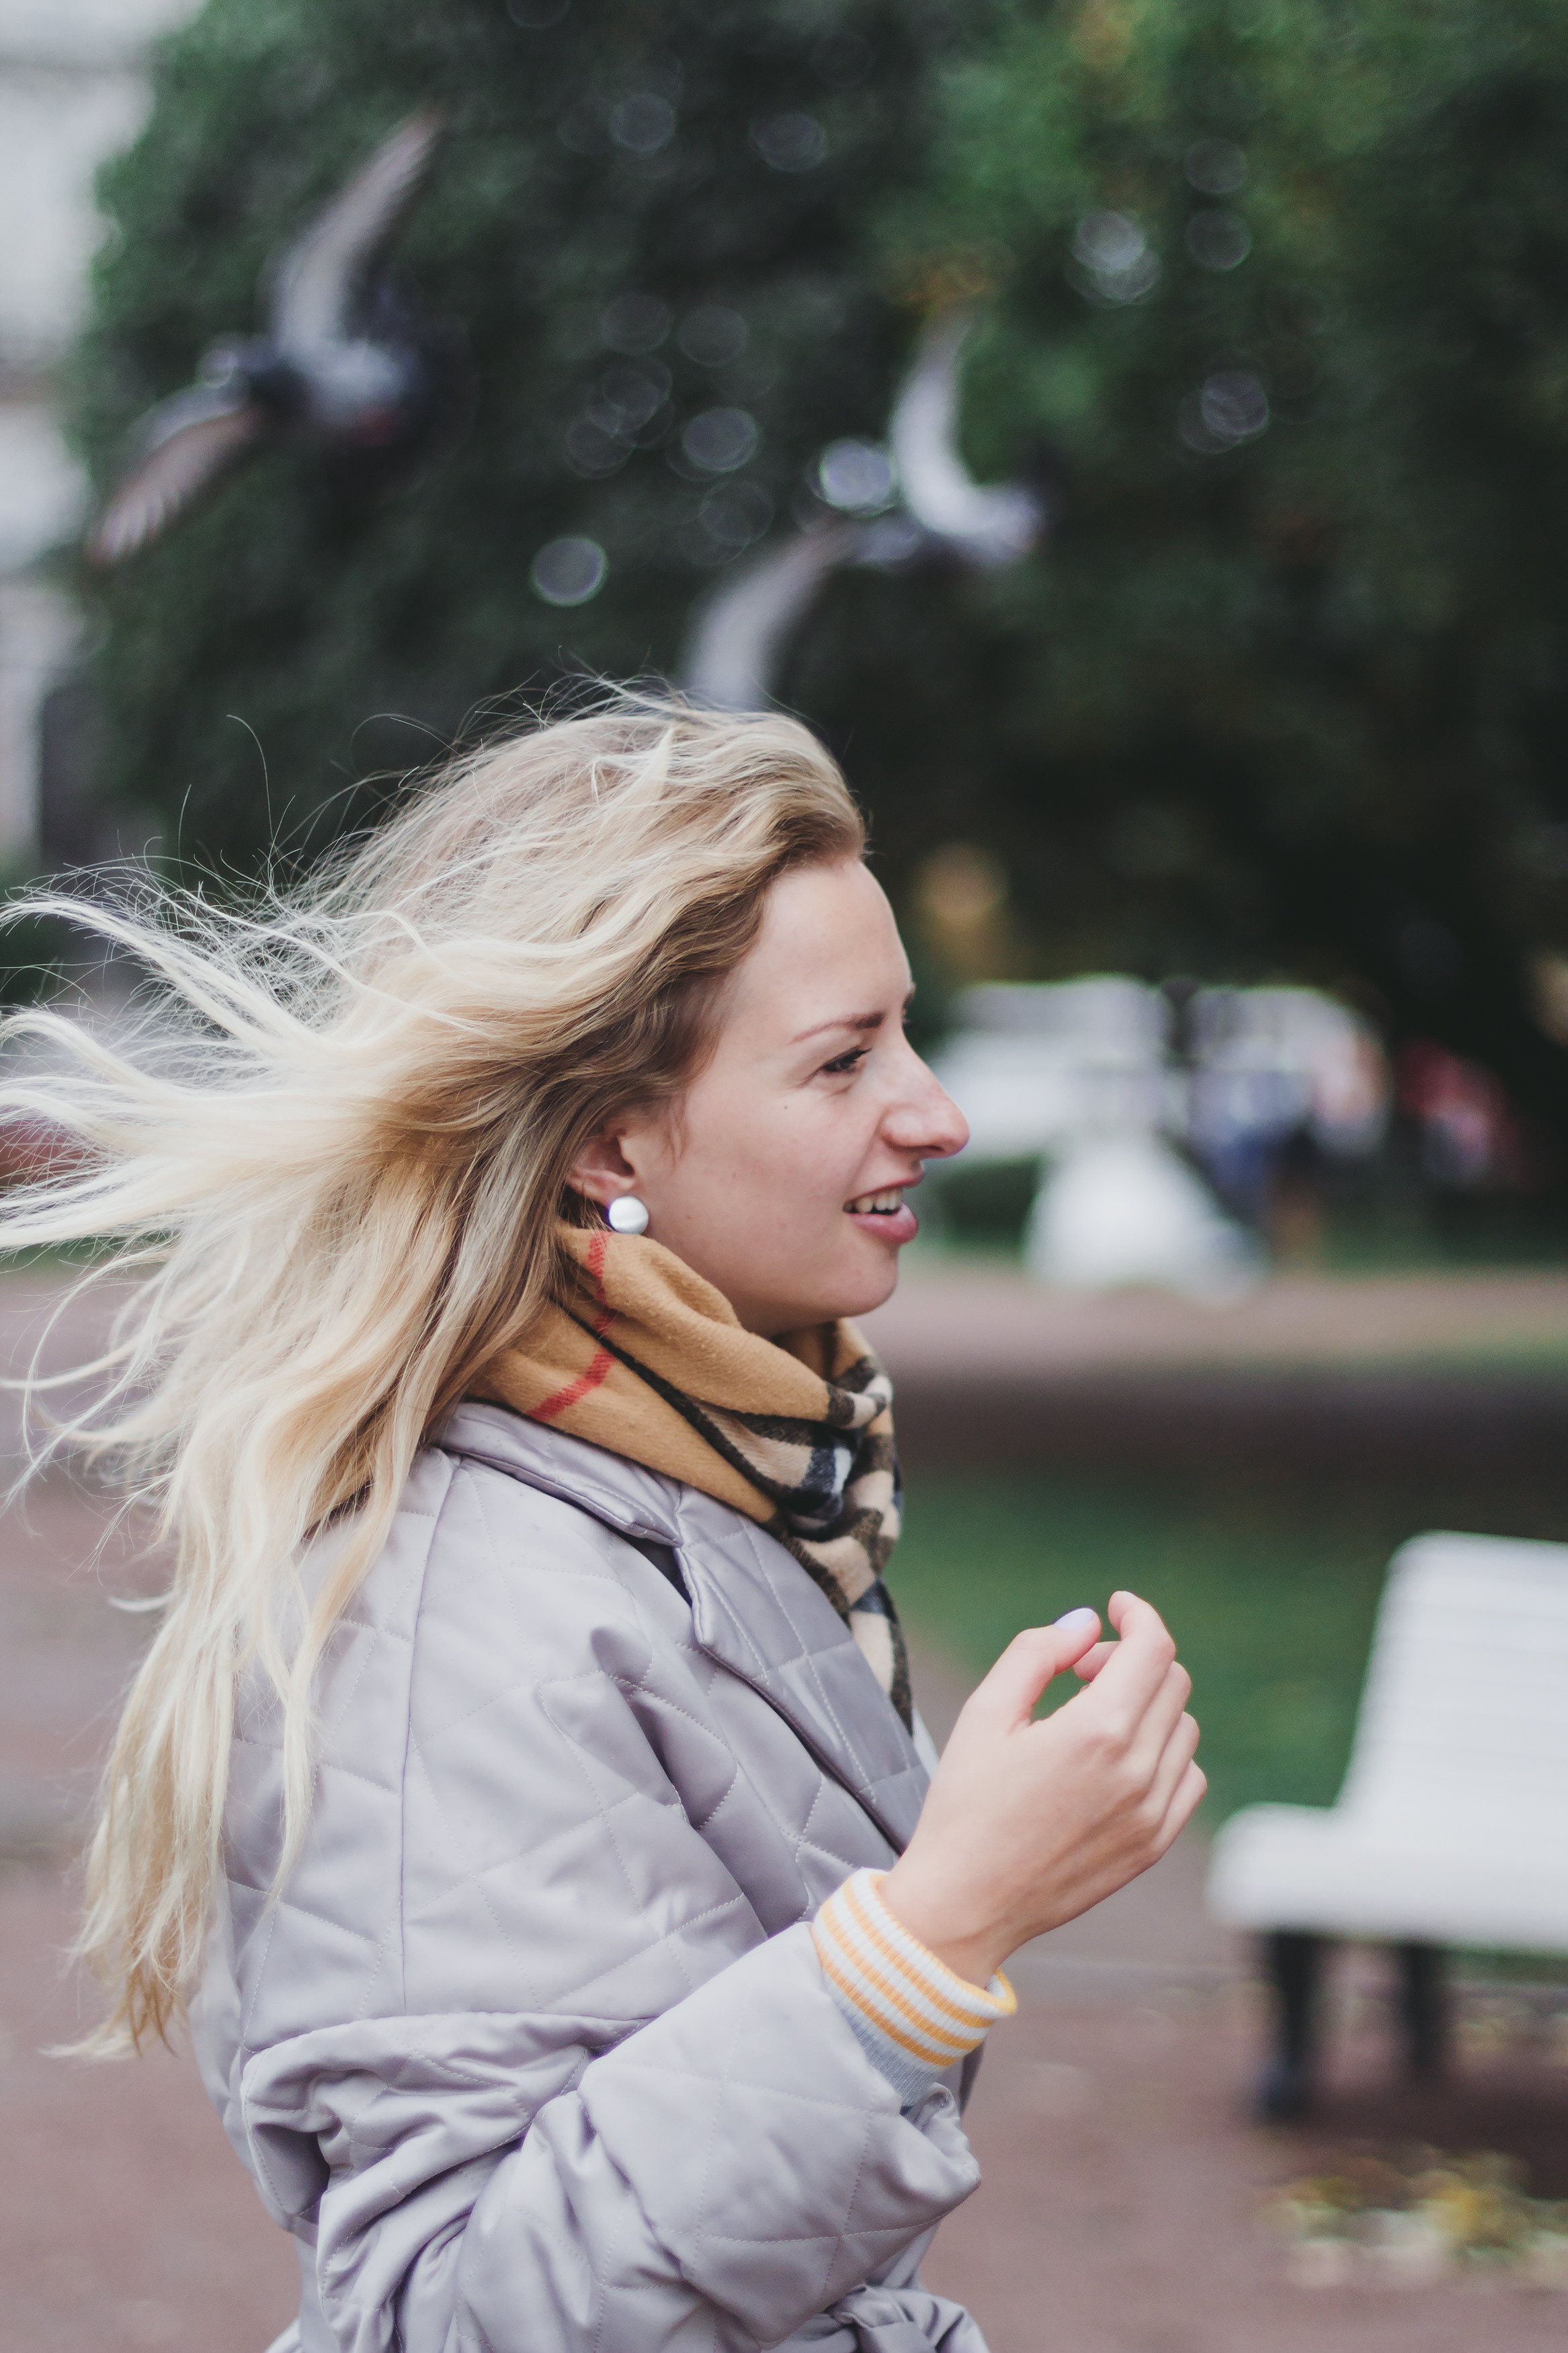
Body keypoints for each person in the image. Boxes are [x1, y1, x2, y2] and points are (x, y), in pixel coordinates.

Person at [3, 698, 1203, 2353]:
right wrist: (937, 1930)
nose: (936, 1113)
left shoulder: (721, 1472)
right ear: (607, 1138)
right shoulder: (455, 1606)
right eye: (845, 1058)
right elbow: (461, 2312)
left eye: (905, 1035)